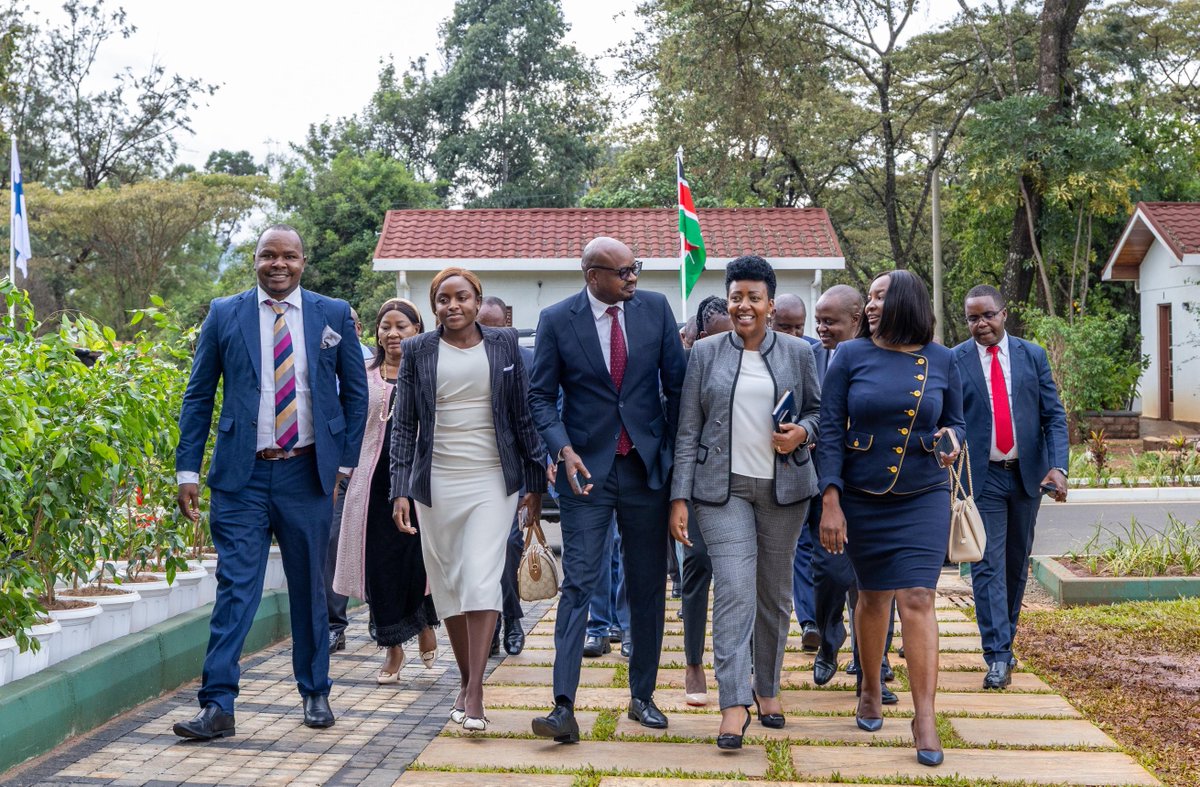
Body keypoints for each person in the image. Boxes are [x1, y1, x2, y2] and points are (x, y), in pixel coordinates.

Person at [173, 225, 369, 739]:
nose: (277, 264)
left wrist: (344, 465)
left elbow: (356, 395)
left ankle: (315, 693)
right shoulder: (224, 313)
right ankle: (218, 705)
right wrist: (187, 470)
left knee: (309, 588)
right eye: (267, 255)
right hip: (242, 476)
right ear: (254, 260)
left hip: (308, 473)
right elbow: (197, 397)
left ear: (303, 261)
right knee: (236, 588)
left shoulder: (331, 314)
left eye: (288, 256)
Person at [529, 236, 686, 743]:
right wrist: (561, 448)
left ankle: (642, 698)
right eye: (623, 272)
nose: (633, 278)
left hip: (645, 471)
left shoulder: (656, 310)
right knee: (579, 583)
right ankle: (562, 706)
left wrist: (673, 461)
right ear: (591, 274)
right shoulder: (557, 320)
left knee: (646, 586)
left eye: (635, 268)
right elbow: (540, 396)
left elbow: (678, 388)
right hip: (584, 474)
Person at [671, 256, 821, 750]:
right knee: (734, 589)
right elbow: (689, 429)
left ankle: (768, 686)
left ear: (771, 304)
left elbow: (819, 413)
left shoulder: (799, 353)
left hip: (785, 491)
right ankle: (734, 704)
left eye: (754, 297)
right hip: (721, 491)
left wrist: (802, 431)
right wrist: (679, 497)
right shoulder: (706, 353)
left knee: (773, 595)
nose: (744, 305)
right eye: (736, 296)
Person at [816, 269, 964, 767]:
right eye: (870, 297)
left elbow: (958, 420)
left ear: (906, 301)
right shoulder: (850, 355)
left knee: (919, 597)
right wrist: (830, 500)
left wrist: (952, 440)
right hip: (860, 494)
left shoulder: (943, 359)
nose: (871, 305)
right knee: (874, 596)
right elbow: (832, 430)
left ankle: (925, 716)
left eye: (880, 296)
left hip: (922, 493)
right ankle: (870, 687)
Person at [391, 268, 547, 732]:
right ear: (433, 305)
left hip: (492, 480)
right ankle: (465, 679)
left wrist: (535, 483)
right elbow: (404, 425)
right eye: (443, 299)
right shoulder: (418, 350)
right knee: (450, 585)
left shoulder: (504, 346)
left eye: (462, 297)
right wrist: (400, 488)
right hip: (435, 483)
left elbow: (522, 417)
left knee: (480, 577)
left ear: (478, 301)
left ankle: (475, 691)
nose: (452, 305)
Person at [955, 284, 1068, 689]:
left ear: (1004, 314)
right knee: (986, 566)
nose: (980, 324)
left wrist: (1058, 468)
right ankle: (997, 655)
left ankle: (1006, 643)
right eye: (972, 318)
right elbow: (951, 419)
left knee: (1015, 565)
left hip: (1026, 477)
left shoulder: (1031, 355)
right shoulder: (957, 360)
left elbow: (1053, 416)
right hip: (981, 479)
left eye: (987, 315)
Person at [333, 299, 440, 682]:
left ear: (417, 330)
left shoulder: (431, 370)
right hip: (370, 484)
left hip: (417, 484)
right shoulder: (362, 374)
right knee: (377, 566)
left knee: (418, 563)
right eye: (385, 327)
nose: (392, 333)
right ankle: (393, 650)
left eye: (402, 326)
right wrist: (340, 474)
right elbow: (348, 425)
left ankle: (425, 626)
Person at [678, 294, 733, 706]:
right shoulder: (691, 364)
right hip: (701, 481)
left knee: (742, 577)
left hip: (750, 478)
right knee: (698, 566)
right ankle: (693, 661)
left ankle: (741, 661)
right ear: (698, 337)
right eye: (714, 337)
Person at [477, 294, 531, 656]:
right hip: (469, 471)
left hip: (508, 474)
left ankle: (510, 619)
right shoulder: (459, 357)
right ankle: (496, 623)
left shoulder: (523, 360)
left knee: (509, 545)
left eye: (497, 328)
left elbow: (530, 424)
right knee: (479, 557)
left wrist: (531, 484)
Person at [325, 307, 378, 654]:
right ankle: (334, 625)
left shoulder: (374, 364)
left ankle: (382, 615)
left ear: (358, 328)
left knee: (376, 541)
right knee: (333, 540)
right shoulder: (322, 357)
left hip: (373, 463)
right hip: (335, 465)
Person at [772, 293, 823, 651]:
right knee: (800, 545)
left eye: (798, 327)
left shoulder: (816, 353)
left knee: (823, 547)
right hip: (776, 468)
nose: (792, 334)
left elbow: (822, 408)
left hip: (818, 464)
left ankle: (824, 617)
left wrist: (808, 431)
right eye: (784, 326)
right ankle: (808, 621)